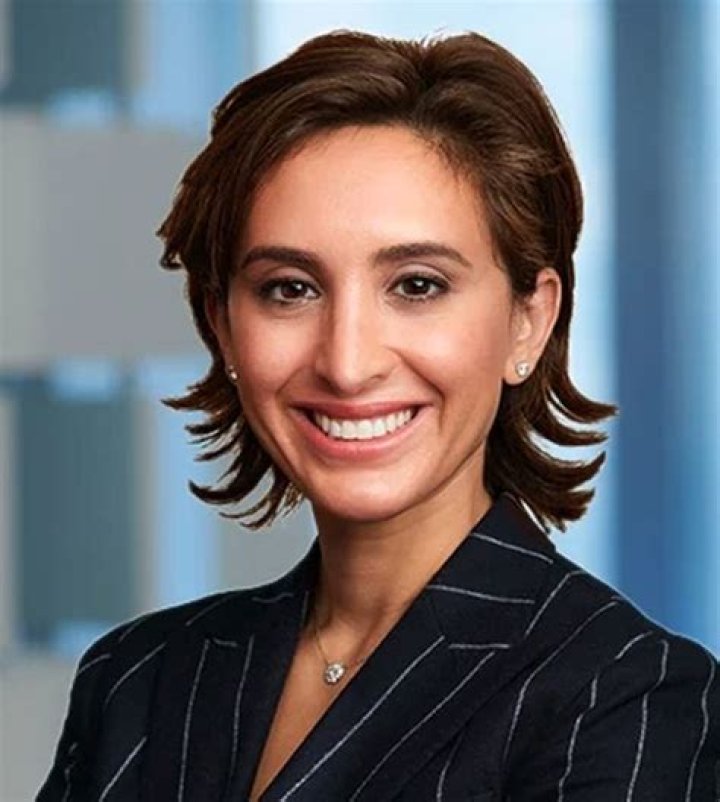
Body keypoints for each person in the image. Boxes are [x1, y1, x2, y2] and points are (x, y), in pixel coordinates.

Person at [38, 29, 718, 802]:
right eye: (290, 289)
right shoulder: (135, 681)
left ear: (528, 321)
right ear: (222, 325)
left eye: (417, 285)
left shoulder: (626, 696)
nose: (347, 361)